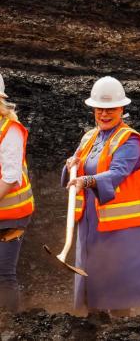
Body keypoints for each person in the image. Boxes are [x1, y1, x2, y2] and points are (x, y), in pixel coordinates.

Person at [62, 76, 140, 315]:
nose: (104, 114)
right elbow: (78, 165)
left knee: (117, 286)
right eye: (100, 109)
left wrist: (86, 180)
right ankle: (95, 326)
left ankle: (120, 329)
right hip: (90, 221)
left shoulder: (130, 140)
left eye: (110, 109)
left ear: (121, 109)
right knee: (93, 278)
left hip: (118, 226)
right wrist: (71, 164)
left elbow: (118, 172)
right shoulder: (90, 137)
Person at [0, 73, 34, 312]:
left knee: (3, 273)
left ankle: (9, 325)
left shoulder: (9, 129)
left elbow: (11, 177)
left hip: (12, 215)